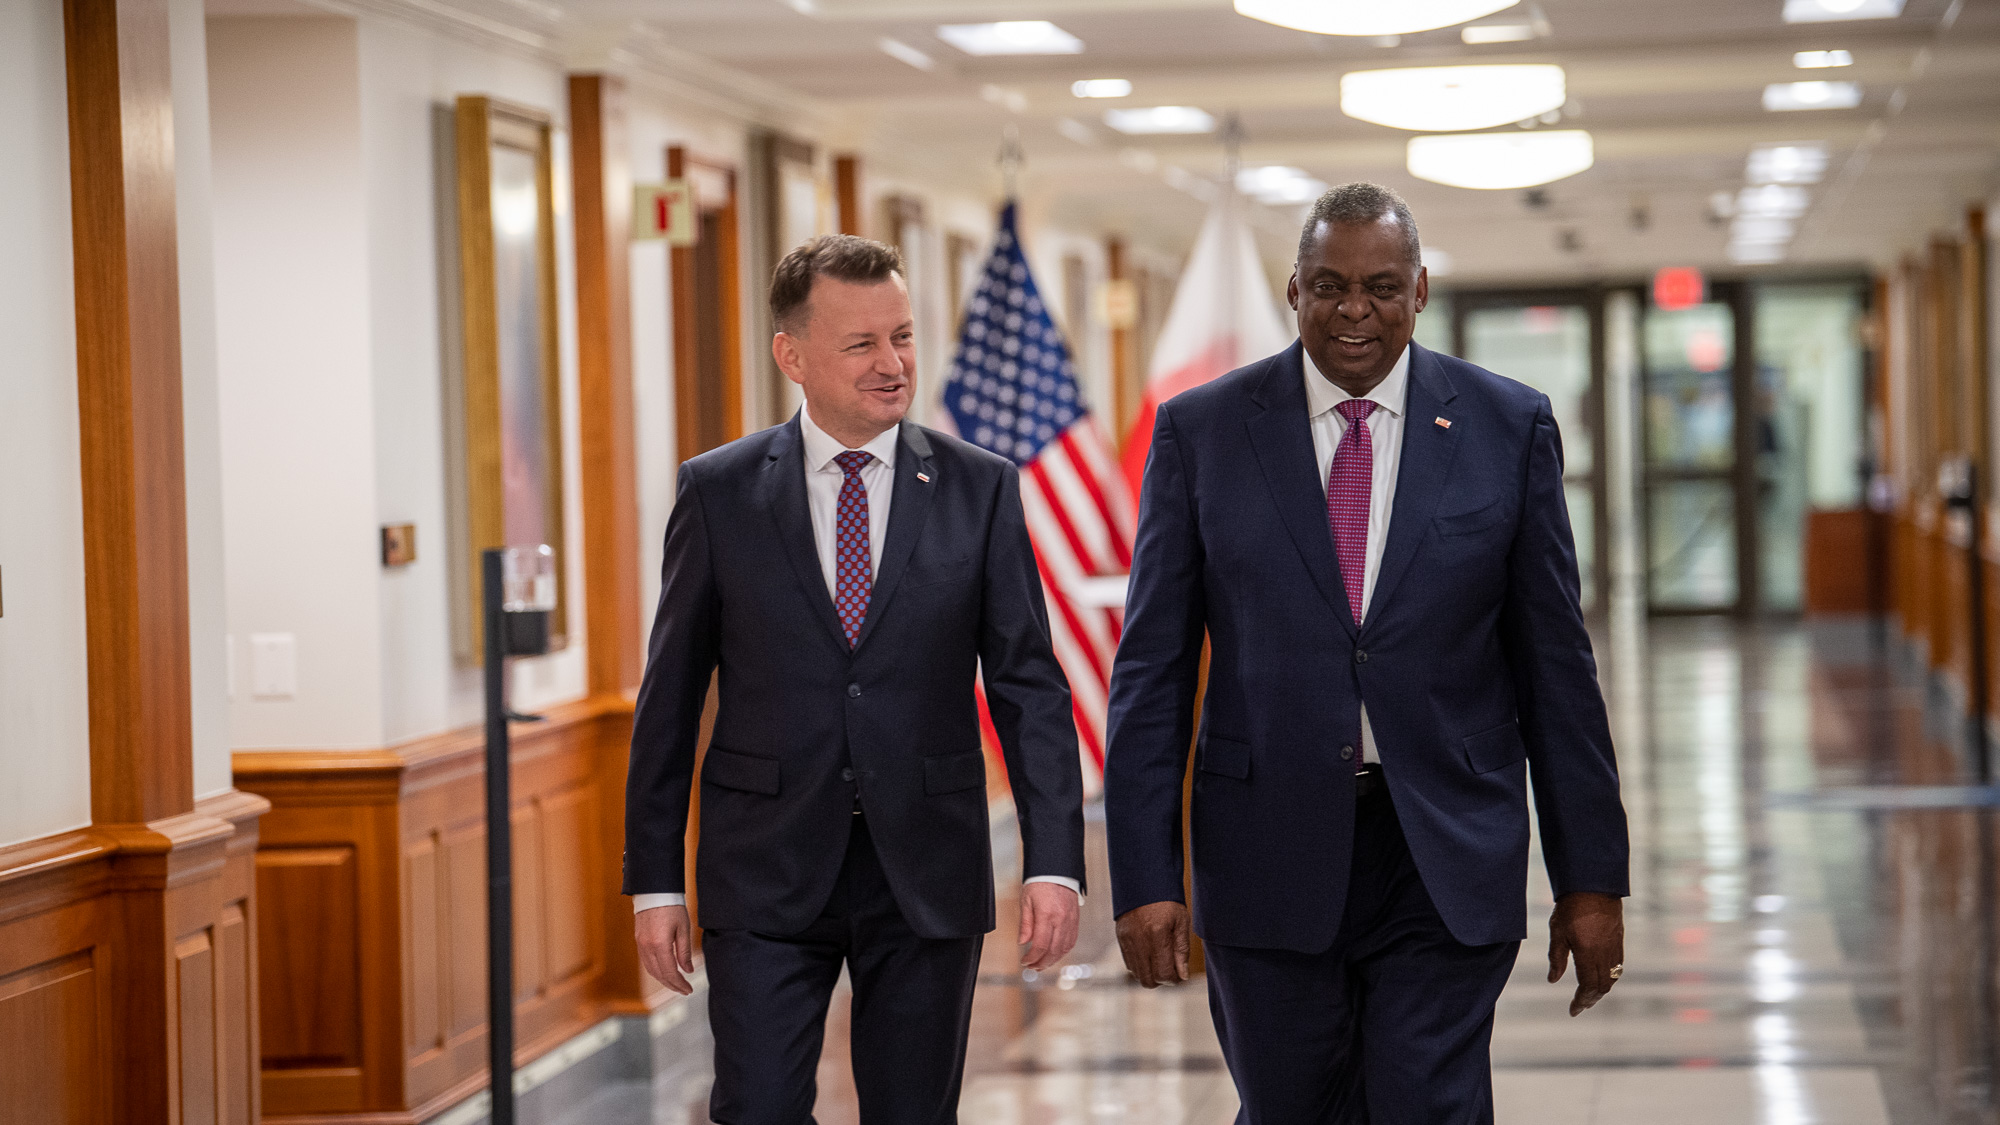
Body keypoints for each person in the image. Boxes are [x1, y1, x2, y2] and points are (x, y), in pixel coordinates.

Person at [1104, 183, 1629, 1125]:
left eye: (1382, 287)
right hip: (1266, 847)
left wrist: (1589, 879)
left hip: (1445, 844)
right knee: (1290, 1105)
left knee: (1427, 1102)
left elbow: (1557, 671)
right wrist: (1145, 876)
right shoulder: (1203, 432)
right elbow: (1153, 671)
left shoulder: (1508, 427)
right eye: (1330, 286)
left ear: (1419, 290)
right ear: (1293, 288)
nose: (1355, 310)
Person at [622, 235, 1087, 1125]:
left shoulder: (980, 487)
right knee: (757, 1107)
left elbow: (1029, 685)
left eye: (902, 336)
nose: (892, 363)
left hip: (928, 866)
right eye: (861, 343)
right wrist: (656, 882)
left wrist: (1055, 862)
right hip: (764, 867)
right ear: (791, 354)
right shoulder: (719, 492)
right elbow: (668, 698)